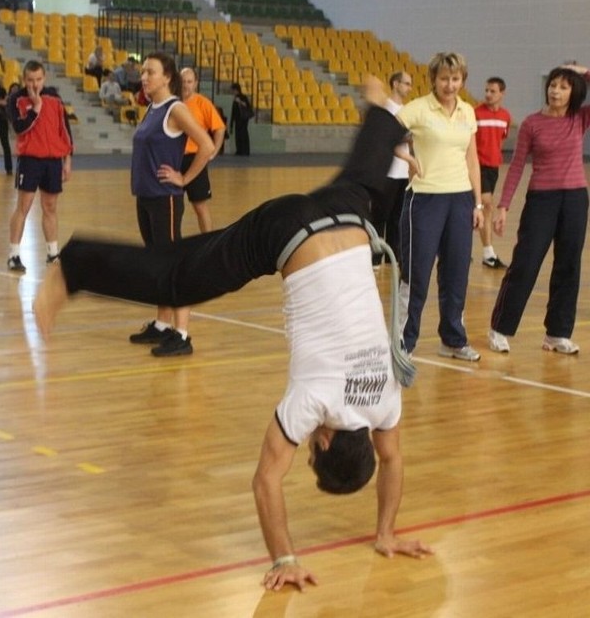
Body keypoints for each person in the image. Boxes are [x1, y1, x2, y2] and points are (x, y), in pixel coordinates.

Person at [34, 77, 431, 589]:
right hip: (286, 231)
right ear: (327, 440)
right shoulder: (314, 403)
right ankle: (75, 269)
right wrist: (285, 558)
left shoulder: (386, 403)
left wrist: (387, 531)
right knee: (180, 279)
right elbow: (267, 480)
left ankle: (381, 115)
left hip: (348, 219)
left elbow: (393, 460)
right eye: (315, 448)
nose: (309, 442)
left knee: (363, 183)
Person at [488, 65, 590, 355]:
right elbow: (517, 164)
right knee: (526, 263)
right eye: (553, 85)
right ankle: (500, 327)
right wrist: (504, 206)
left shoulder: (580, 118)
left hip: (575, 199)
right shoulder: (532, 123)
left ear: (574, 91)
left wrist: (582, 70)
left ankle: (557, 334)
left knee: (569, 265)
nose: (555, 91)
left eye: (563, 86)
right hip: (541, 201)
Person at [396, 52, 484, 362]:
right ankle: (403, 344)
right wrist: (407, 157)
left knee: (456, 274)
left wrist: (477, 203)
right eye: (444, 78)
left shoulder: (467, 111)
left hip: (460, 200)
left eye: (456, 78)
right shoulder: (417, 109)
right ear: (433, 78)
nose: (450, 84)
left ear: (462, 80)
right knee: (416, 274)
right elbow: (382, 132)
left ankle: (453, 339)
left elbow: (472, 159)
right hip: (425, 199)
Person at [128, 53, 214, 357]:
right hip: (146, 197)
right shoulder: (152, 108)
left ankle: (182, 334)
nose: (144, 77)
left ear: (167, 77)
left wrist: (185, 178)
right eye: (142, 72)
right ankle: (162, 325)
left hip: (165, 198)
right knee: (158, 265)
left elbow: (206, 145)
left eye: (150, 72)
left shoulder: (175, 109)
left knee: (173, 265)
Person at [6, 60, 73, 272]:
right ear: (23, 80)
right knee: (23, 207)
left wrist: (67, 158)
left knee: (50, 207)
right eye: (30, 80)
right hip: (30, 160)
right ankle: (14, 255)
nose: (35, 85)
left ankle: (53, 253)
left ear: (44, 78)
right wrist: (35, 108)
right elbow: (19, 127)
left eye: (38, 80)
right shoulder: (16, 99)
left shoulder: (54, 97)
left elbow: (64, 128)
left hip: (53, 160)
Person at [372, 70, 413, 267]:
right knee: (380, 216)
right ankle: (375, 256)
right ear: (395, 84)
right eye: (406, 83)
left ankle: (392, 256)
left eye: (410, 84)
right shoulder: (385, 108)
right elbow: (385, 136)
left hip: (402, 172)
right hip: (386, 171)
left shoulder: (407, 110)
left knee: (398, 218)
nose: (409, 88)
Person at [179, 67, 226, 233]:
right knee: (174, 208)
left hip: (195, 159)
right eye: (183, 81)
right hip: (174, 159)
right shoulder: (172, 102)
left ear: (196, 83)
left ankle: (208, 243)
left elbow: (219, 128)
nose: (186, 85)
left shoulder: (202, 103)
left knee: (200, 206)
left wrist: (214, 150)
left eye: (189, 82)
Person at [475, 77, 512, 269]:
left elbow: (501, 140)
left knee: (481, 209)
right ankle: (488, 253)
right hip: (477, 165)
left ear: (501, 93)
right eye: (486, 90)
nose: (488, 94)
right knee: (486, 204)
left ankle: (485, 253)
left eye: (493, 91)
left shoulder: (506, 116)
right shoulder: (476, 113)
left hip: (493, 167)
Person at [230, 82, 252, 156]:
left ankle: (245, 150)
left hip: (243, 119)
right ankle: (239, 150)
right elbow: (234, 111)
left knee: (243, 134)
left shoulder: (243, 97)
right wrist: (232, 122)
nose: (232, 92)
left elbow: (247, 106)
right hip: (237, 119)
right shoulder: (235, 98)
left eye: (233, 90)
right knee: (238, 135)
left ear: (236, 90)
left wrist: (240, 101)